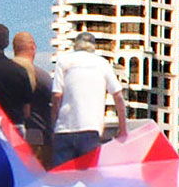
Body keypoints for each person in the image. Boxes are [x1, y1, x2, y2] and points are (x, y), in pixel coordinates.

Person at [46, 40, 125, 169]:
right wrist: (123, 129)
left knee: (61, 176)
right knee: (88, 176)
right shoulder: (102, 63)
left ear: (75, 47)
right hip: (90, 130)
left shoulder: (63, 61)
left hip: (64, 131)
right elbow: (118, 97)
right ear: (93, 48)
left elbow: (56, 96)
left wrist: (54, 124)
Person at [9, 31, 56, 159]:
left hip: (8, 137)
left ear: (14, 48)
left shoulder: (2, 74)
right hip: (36, 138)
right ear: (33, 47)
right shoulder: (42, 77)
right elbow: (54, 104)